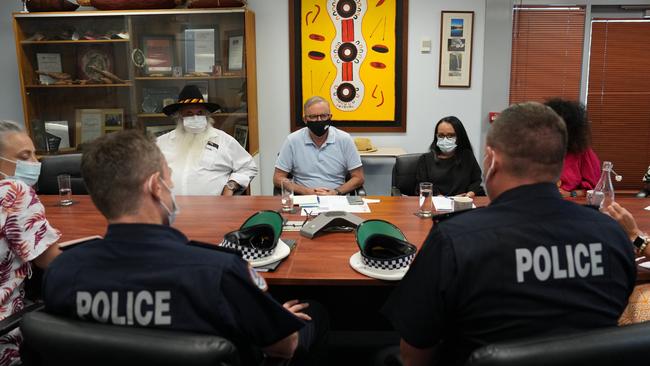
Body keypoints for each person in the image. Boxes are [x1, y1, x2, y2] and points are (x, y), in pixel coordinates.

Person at [382, 102, 636, 366]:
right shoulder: (613, 236)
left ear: (493, 160)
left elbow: (414, 355)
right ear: (560, 165)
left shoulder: (454, 240)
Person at [42, 130, 326, 365]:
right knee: (315, 312)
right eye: (169, 178)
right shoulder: (219, 271)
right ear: (155, 186)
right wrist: (279, 320)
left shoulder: (62, 271)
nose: (172, 185)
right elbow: (283, 347)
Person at [0, 120, 60, 365]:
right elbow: (51, 260)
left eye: (35, 154)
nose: (35, 163)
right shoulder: (14, 190)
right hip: (6, 337)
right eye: (25, 156)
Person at [157, 84, 258, 196]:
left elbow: (248, 167)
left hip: (214, 210)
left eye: (200, 113)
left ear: (206, 115)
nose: (195, 117)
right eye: (189, 113)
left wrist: (230, 186)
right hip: (170, 209)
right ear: (179, 116)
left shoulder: (223, 140)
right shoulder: (161, 143)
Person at [273, 96, 364, 195]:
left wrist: (335, 192)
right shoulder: (292, 140)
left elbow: (358, 178)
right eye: (313, 117)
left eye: (323, 116)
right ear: (305, 119)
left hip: (336, 198)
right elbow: (278, 178)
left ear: (330, 117)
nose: (319, 120)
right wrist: (306, 191)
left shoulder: (345, 139)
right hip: (303, 198)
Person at [415, 116, 484, 197]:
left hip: (463, 203)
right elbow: (422, 186)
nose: (445, 140)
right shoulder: (425, 160)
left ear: (459, 137)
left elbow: (476, 181)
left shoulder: (467, 156)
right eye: (441, 135)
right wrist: (443, 199)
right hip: (436, 204)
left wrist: (469, 194)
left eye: (450, 135)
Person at [545, 98, 600, 197]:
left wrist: (570, 194)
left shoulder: (583, 153)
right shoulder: (535, 150)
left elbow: (593, 190)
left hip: (571, 204)